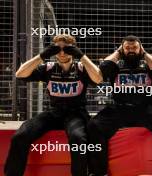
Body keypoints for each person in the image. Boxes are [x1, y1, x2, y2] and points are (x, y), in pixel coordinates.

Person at [4, 34, 103, 176]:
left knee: (78, 139)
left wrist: (82, 56)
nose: (62, 53)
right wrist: (42, 55)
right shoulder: (49, 68)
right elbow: (20, 74)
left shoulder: (81, 68)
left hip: (76, 113)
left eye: (67, 49)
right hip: (54, 112)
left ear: (73, 50)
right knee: (20, 135)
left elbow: (98, 79)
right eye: (58, 49)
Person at [88, 35, 152, 176]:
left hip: (145, 108)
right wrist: (118, 52)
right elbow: (102, 69)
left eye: (134, 47)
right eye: (127, 48)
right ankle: (98, 172)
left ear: (140, 49)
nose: (131, 50)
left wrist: (144, 54)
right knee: (93, 125)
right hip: (119, 108)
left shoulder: (147, 63)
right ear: (121, 49)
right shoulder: (115, 65)